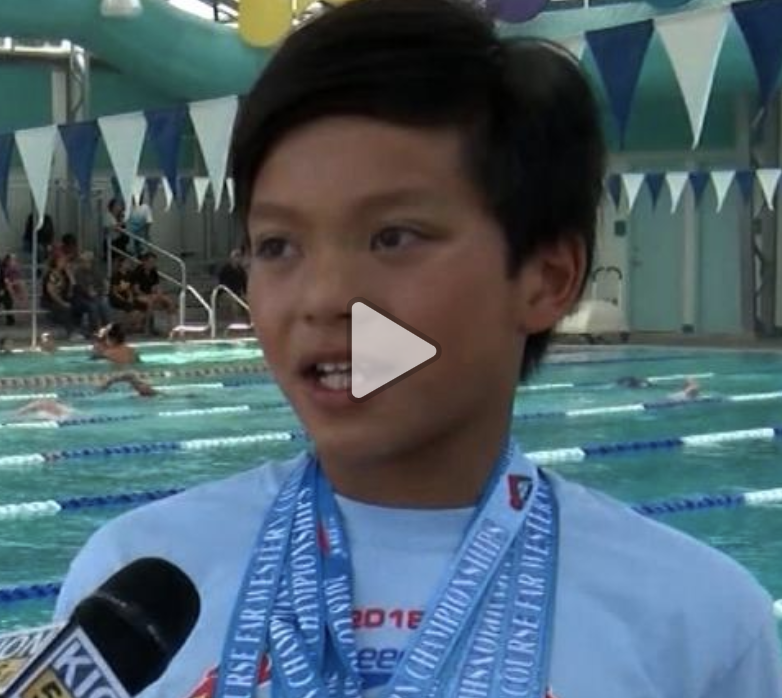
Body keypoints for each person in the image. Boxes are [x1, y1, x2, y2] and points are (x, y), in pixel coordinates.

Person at [54, 3, 782, 698]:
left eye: (392, 237)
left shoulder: (698, 627)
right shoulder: (131, 593)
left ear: (547, 278)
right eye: (277, 246)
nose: (323, 299)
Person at [131, 252, 176, 334]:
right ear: (144, 261)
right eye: (150, 262)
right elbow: (136, 290)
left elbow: (157, 286)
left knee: (169, 301)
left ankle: (171, 328)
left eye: (154, 262)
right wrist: (148, 295)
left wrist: (159, 294)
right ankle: (148, 328)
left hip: (151, 294)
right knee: (150, 302)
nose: (152, 264)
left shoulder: (153, 271)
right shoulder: (137, 272)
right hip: (140, 295)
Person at [72, 251, 111, 335]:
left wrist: (97, 291)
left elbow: (102, 285)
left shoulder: (96, 271)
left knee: (104, 302)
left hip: (96, 295)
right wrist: (89, 292)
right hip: (82, 297)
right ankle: (95, 330)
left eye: (88, 261)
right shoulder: (78, 273)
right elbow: (80, 287)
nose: (86, 263)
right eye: (84, 261)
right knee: (92, 306)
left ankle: (107, 327)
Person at [41, 254, 76, 338]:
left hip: (64, 298)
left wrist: (70, 276)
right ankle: (71, 332)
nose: (64, 263)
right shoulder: (51, 274)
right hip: (50, 300)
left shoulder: (64, 273)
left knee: (78, 304)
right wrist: (62, 302)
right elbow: (51, 293)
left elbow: (73, 286)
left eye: (65, 261)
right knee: (65, 308)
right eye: (62, 261)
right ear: (56, 262)